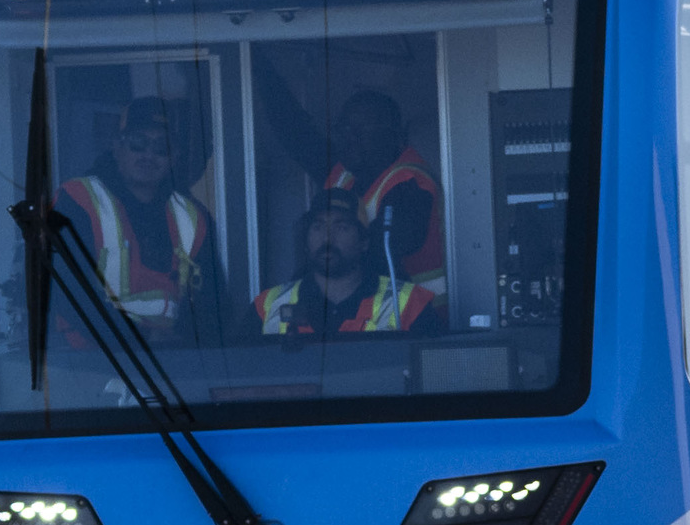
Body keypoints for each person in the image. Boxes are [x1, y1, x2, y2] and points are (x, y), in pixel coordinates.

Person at [51, 94, 224, 344]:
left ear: (174, 156)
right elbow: (66, 293)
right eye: (137, 143)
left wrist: (186, 348)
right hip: (88, 364)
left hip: (169, 364)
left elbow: (212, 307)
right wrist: (142, 337)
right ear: (116, 146)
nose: (148, 155)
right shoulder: (77, 200)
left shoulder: (193, 218)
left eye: (160, 147)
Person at [250, 188, 446, 338]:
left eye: (341, 227)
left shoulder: (409, 305)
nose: (327, 238)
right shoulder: (267, 307)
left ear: (364, 242)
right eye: (318, 226)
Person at [322, 90, 448, 296]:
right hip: (366, 318)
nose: (350, 138)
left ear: (394, 135)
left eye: (361, 130)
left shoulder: (410, 183)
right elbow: (300, 138)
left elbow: (381, 251)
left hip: (419, 319)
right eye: (344, 129)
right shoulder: (342, 175)